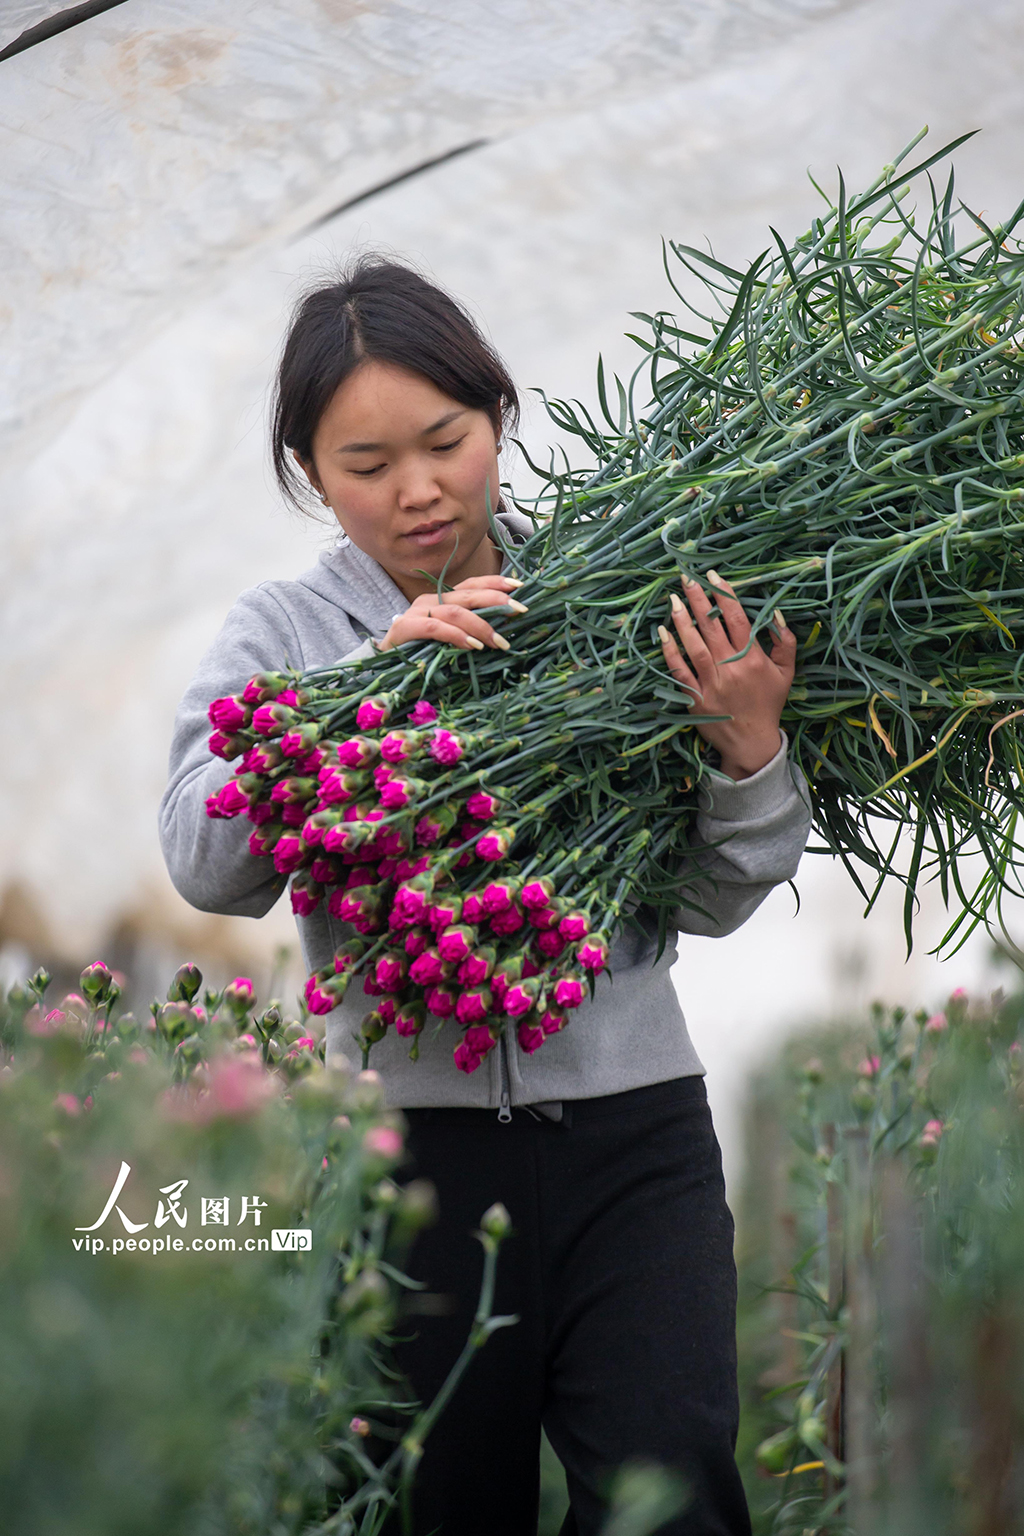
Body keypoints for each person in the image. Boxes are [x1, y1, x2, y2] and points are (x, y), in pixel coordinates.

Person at [159, 257, 812, 1536]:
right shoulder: (282, 635)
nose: (416, 490)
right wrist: (364, 691)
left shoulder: (610, 588)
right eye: (364, 465)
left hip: (636, 1139)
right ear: (308, 475)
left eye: (445, 442)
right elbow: (204, 858)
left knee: (673, 1497)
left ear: (498, 417)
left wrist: (751, 756)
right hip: (410, 1157)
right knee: (432, 1507)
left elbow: (711, 895)